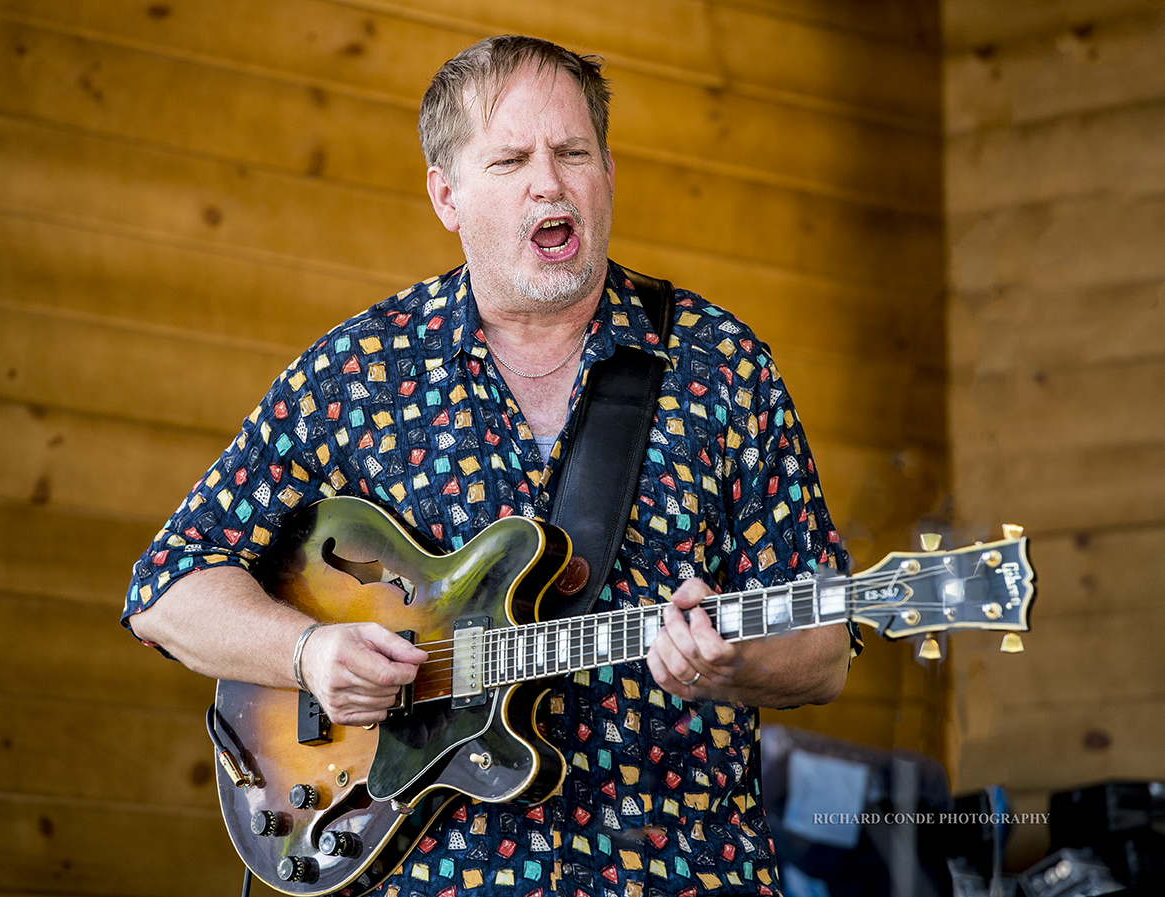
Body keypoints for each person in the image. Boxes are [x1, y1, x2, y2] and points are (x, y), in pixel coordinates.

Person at [125, 34, 860, 897]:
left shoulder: (721, 366)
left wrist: (733, 664)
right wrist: (311, 653)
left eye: (573, 152)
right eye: (511, 158)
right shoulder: (360, 369)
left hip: (677, 872)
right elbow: (165, 589)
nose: (549, 181)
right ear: (447, 195)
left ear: (608, 172)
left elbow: (825, 652)